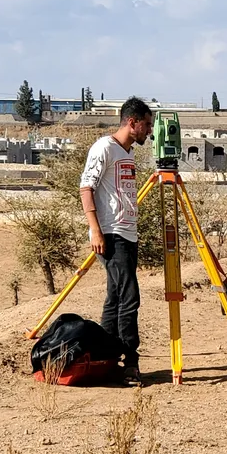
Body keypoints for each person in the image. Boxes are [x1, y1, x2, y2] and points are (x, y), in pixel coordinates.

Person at [79, 96, 153, 382]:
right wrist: (96, 230)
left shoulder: (127, 153)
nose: (148, 131)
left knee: (115, 298)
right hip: (111, 233)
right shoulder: (104, 148)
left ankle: (104, 358)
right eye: (146, 125)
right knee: (128, 296)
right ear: (131, 122)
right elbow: (86, 188)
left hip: (127, 232)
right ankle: (130, 361)